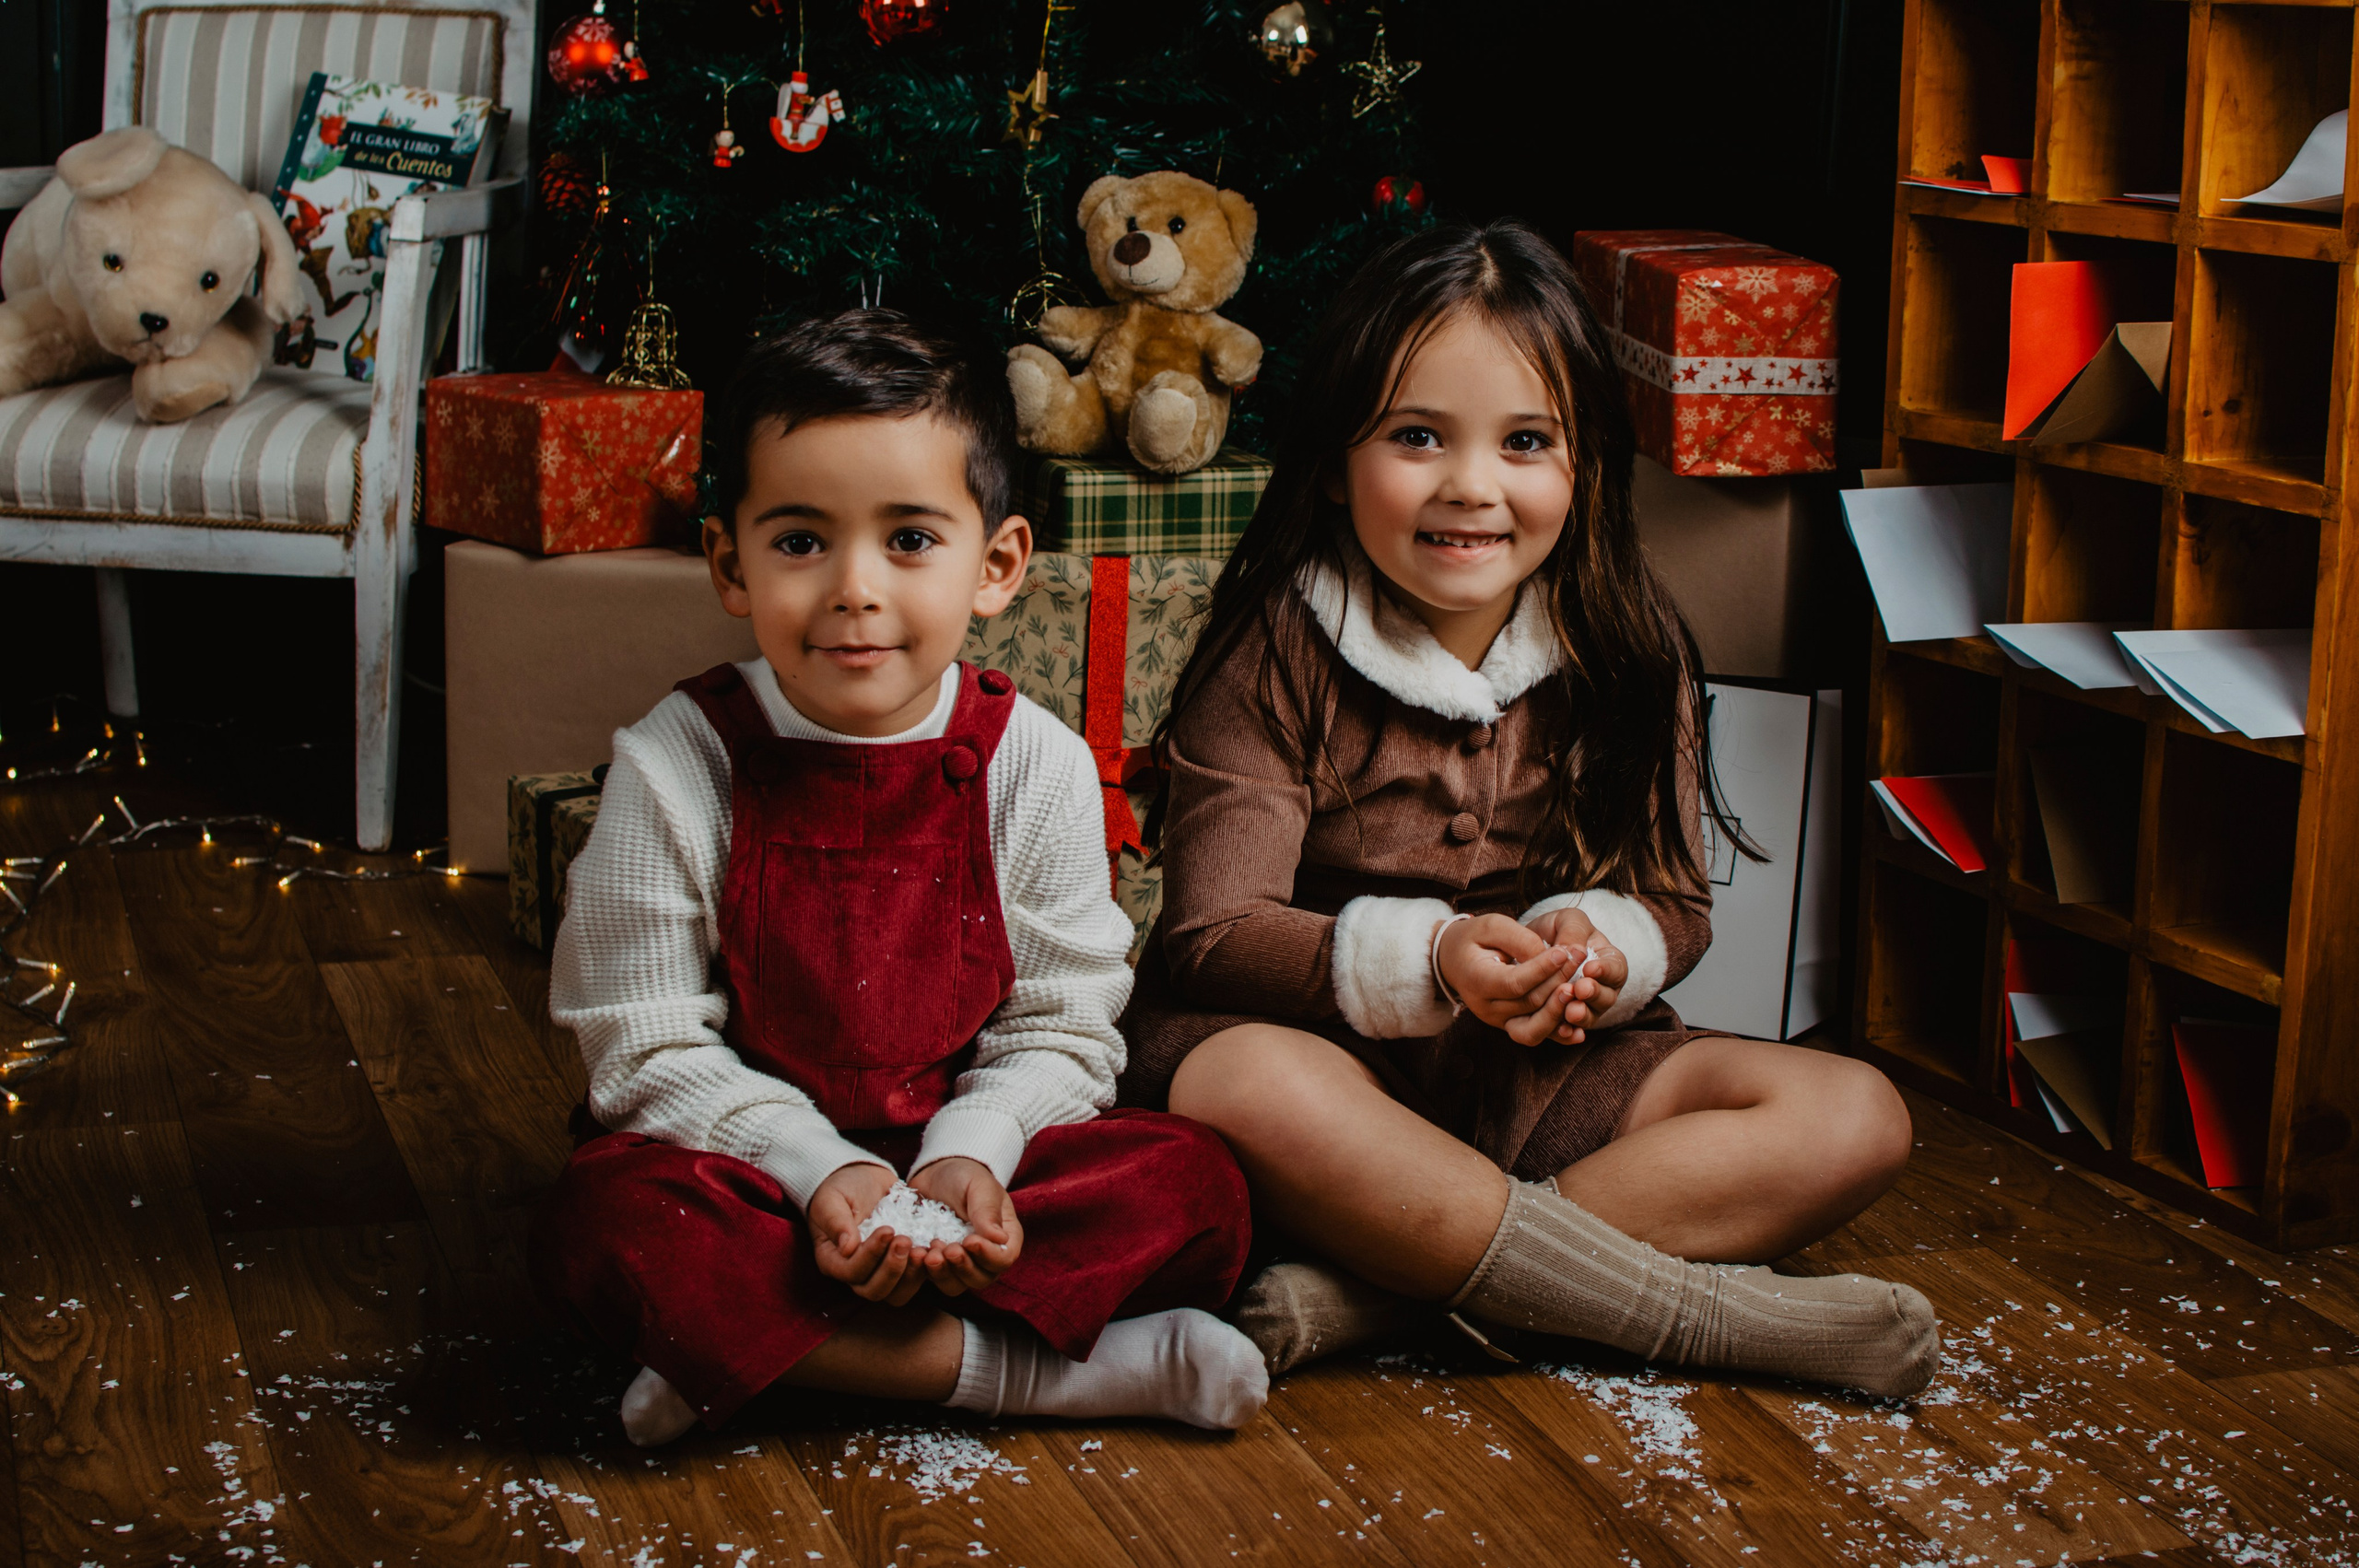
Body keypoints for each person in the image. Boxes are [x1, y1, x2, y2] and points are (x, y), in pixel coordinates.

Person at [1119, 220, 1941, 1398]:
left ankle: (1381, 1294)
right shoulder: (1277, 647)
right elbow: (1209, 933)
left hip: (1533, 1078)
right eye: (1415, 437)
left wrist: (1604, 949)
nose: (1472, 486)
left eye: (1524, 442)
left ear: (1584, 463)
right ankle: (1688, 1315)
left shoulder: (1628, 639)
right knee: (1246, 1082)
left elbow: (1674, 901)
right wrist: (1437, 957)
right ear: (1337, 453)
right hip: (1326, 1079)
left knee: (1855, 1113)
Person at [531, 310, 1265, 1447]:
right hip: (754, 1175)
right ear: (730, 561)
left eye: (910, 539)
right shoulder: (678, 761)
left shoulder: (1038, 762)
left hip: (978, 1181)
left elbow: (1063, 1025)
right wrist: (817, 1168)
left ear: (999, 564)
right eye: (799, 541)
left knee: (1194, 1185)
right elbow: (640, 1041)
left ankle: (765, 1355)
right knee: (608, 1222)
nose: (854, 588)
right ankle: (1044, 1377)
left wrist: (975, 1151)